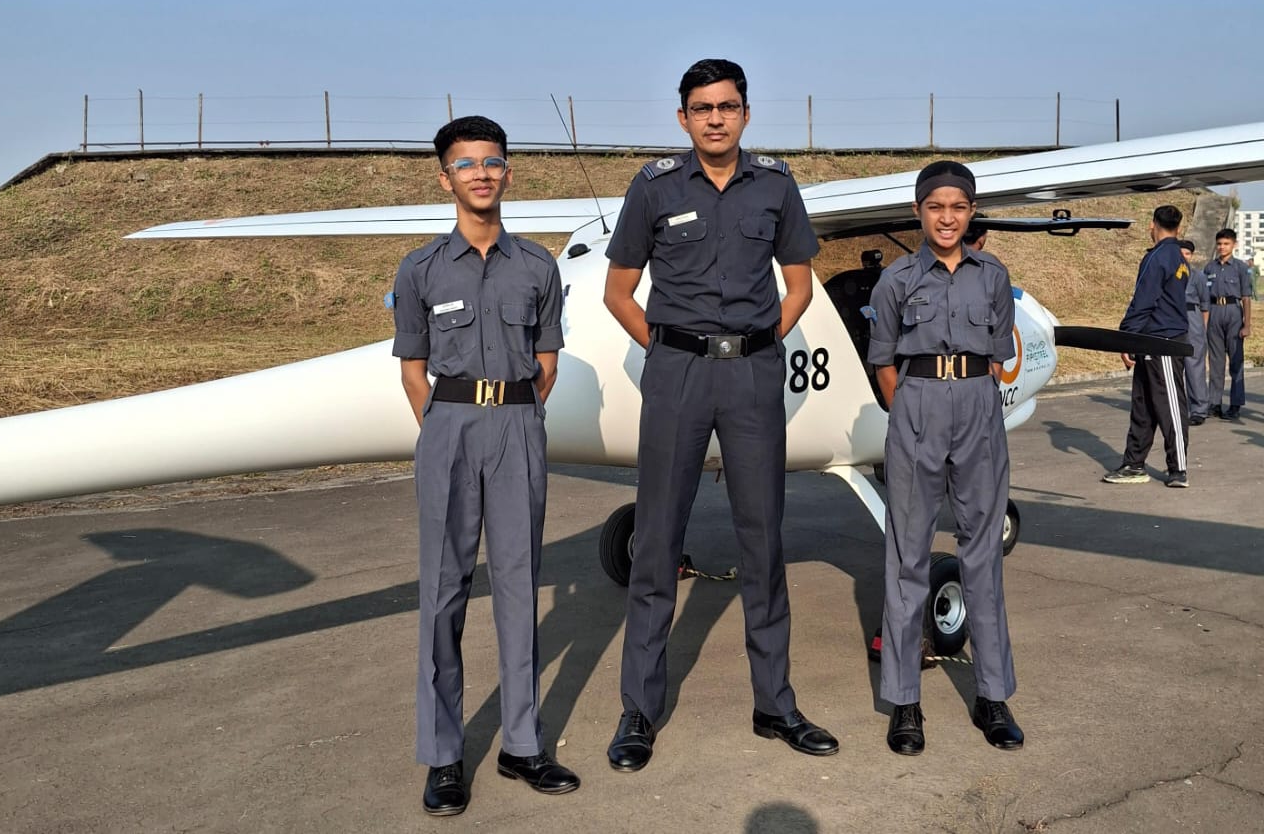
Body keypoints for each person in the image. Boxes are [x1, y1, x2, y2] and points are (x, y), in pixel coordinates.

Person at [601, 58, 838, 773]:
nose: (715, 118)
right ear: (683, 118)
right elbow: (618, 292)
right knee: (657, 543)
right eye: (702, 108)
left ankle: (776, 704)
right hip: (677, 374)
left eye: (727, 106)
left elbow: (799, 284)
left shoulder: (776, 186)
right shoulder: (653, 188)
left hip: (752, 376)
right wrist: (666, 349)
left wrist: (763, 341)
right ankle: (639, 710)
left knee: (763, 540)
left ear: (745, 114)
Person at [391, 116, 579, 817]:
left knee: (518, 586)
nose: (481, 173)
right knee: (444, 591)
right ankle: (444, 754)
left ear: (508, 173)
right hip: (448, 426)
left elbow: (548, 361)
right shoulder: (420, 269)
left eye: (492, 161)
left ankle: (522, 744)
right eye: (466, 164)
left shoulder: (537, 266)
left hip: (518, 425)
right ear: (446, 178)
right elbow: (412, 369)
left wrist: (512, 419)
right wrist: (447, 428)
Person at [866, 160, 1022, 756]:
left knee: (983, 553)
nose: (947, 218)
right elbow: (885, 362)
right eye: (935, 207)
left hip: (979, 408)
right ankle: (905, 701)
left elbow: (1001, 354)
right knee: (907, 556)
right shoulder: (896, 280)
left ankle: (992, 695)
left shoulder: (993, 277)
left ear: (972, 212)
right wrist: (912, 410)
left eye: (958, 207)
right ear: (918, 212)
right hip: (917, 409)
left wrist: (971, 399)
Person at [1102, 205, 1190, 487]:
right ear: (1178, 227)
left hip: (1163, 341)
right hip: (1151, 339)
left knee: (1169, 404)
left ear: (1153, 225)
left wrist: (1126, 336)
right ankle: (1134, 464)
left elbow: (1143, 300)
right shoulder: (1178, 256)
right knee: (1143, 405)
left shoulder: (1159, 257)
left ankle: (1178, 469)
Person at [1204, 228, 1254, 421]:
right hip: (1214, 311)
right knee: (1215, 361)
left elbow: (1246, 297)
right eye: (1219, 244)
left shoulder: (1241, 267)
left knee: (1235, 360)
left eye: (1226, 244)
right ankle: (1214, 403)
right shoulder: (1210, 268)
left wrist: (1246, 324)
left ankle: (1235, 404)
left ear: (1234, 245)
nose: (1222, 247)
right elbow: (1204, 297)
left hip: (1233, 312)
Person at [1178, 240, 1210, 426]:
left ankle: (1199, 409)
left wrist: (1202, 327)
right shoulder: (1169, 274)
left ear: (1192, 256)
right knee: (1173, 365)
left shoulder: (1198, 276)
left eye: (1187, 253)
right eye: (1181, 253)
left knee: (1194, 364)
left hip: (1192, 318)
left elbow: (1205, 304)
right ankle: (1176, 408)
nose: (1184, 256)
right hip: (1173, 317)